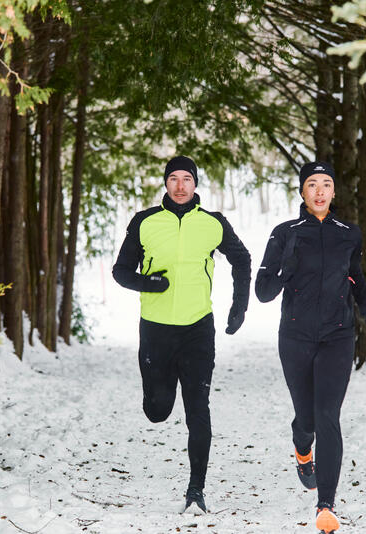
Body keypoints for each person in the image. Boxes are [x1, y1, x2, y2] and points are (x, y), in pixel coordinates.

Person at [255, 161, 366, 533]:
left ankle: (325, 507)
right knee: (307, 419)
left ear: (334, 192)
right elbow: (264, 292)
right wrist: (287, 265)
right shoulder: (284, 233)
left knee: (327, 415)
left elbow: (357, 280)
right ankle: (303, 447)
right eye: (312, 184)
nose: (319, 191)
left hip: (337, 336)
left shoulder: (349, 233)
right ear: (302, 192)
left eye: (326, 184)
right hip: (296, 337)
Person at [112, 155, 251, 514]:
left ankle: (196, 490)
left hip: (197, 331)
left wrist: (239, 307)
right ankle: (156, 393)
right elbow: (121, 271)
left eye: (186, 178)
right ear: (166, 183)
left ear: (195, 183)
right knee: (158, 411)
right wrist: (149, 283)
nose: (179, 185)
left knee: (197, 408)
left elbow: (243, 260)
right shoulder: (144, 222)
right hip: (156, 331)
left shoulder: (213, 223)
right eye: (173, 178)